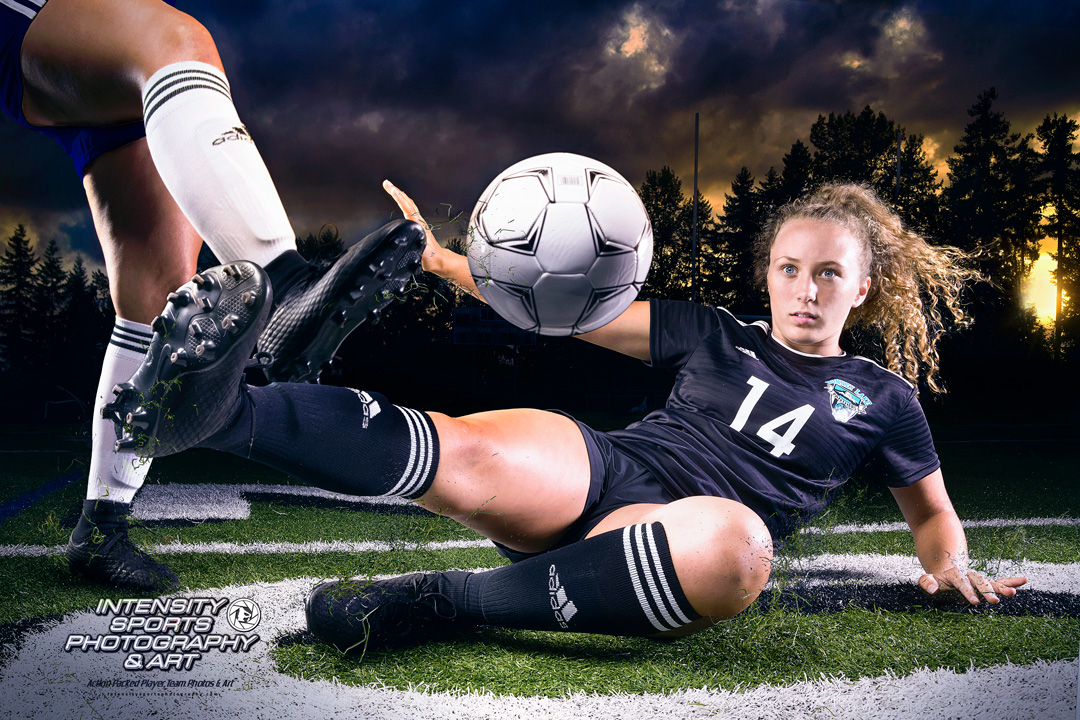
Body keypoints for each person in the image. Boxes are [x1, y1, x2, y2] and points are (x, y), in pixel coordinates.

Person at [106, 180, 1026, 650]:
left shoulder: (886, 398)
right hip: (608, 469)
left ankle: (446, 602)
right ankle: (217, 413)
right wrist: (439, 260)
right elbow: (559, 311)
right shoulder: (712, 333)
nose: (806, 288)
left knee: (740, 550)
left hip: (669, 536)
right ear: (769, 274)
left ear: (862, 286)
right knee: (468, 447)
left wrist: (950, 568)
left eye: (830, 272)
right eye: (790, 267)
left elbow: (932, 510)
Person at [1, 0, 425, 591]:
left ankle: (101, 528)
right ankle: (287, 283)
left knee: (155, 300)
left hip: (105, 84)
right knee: (173, 42)